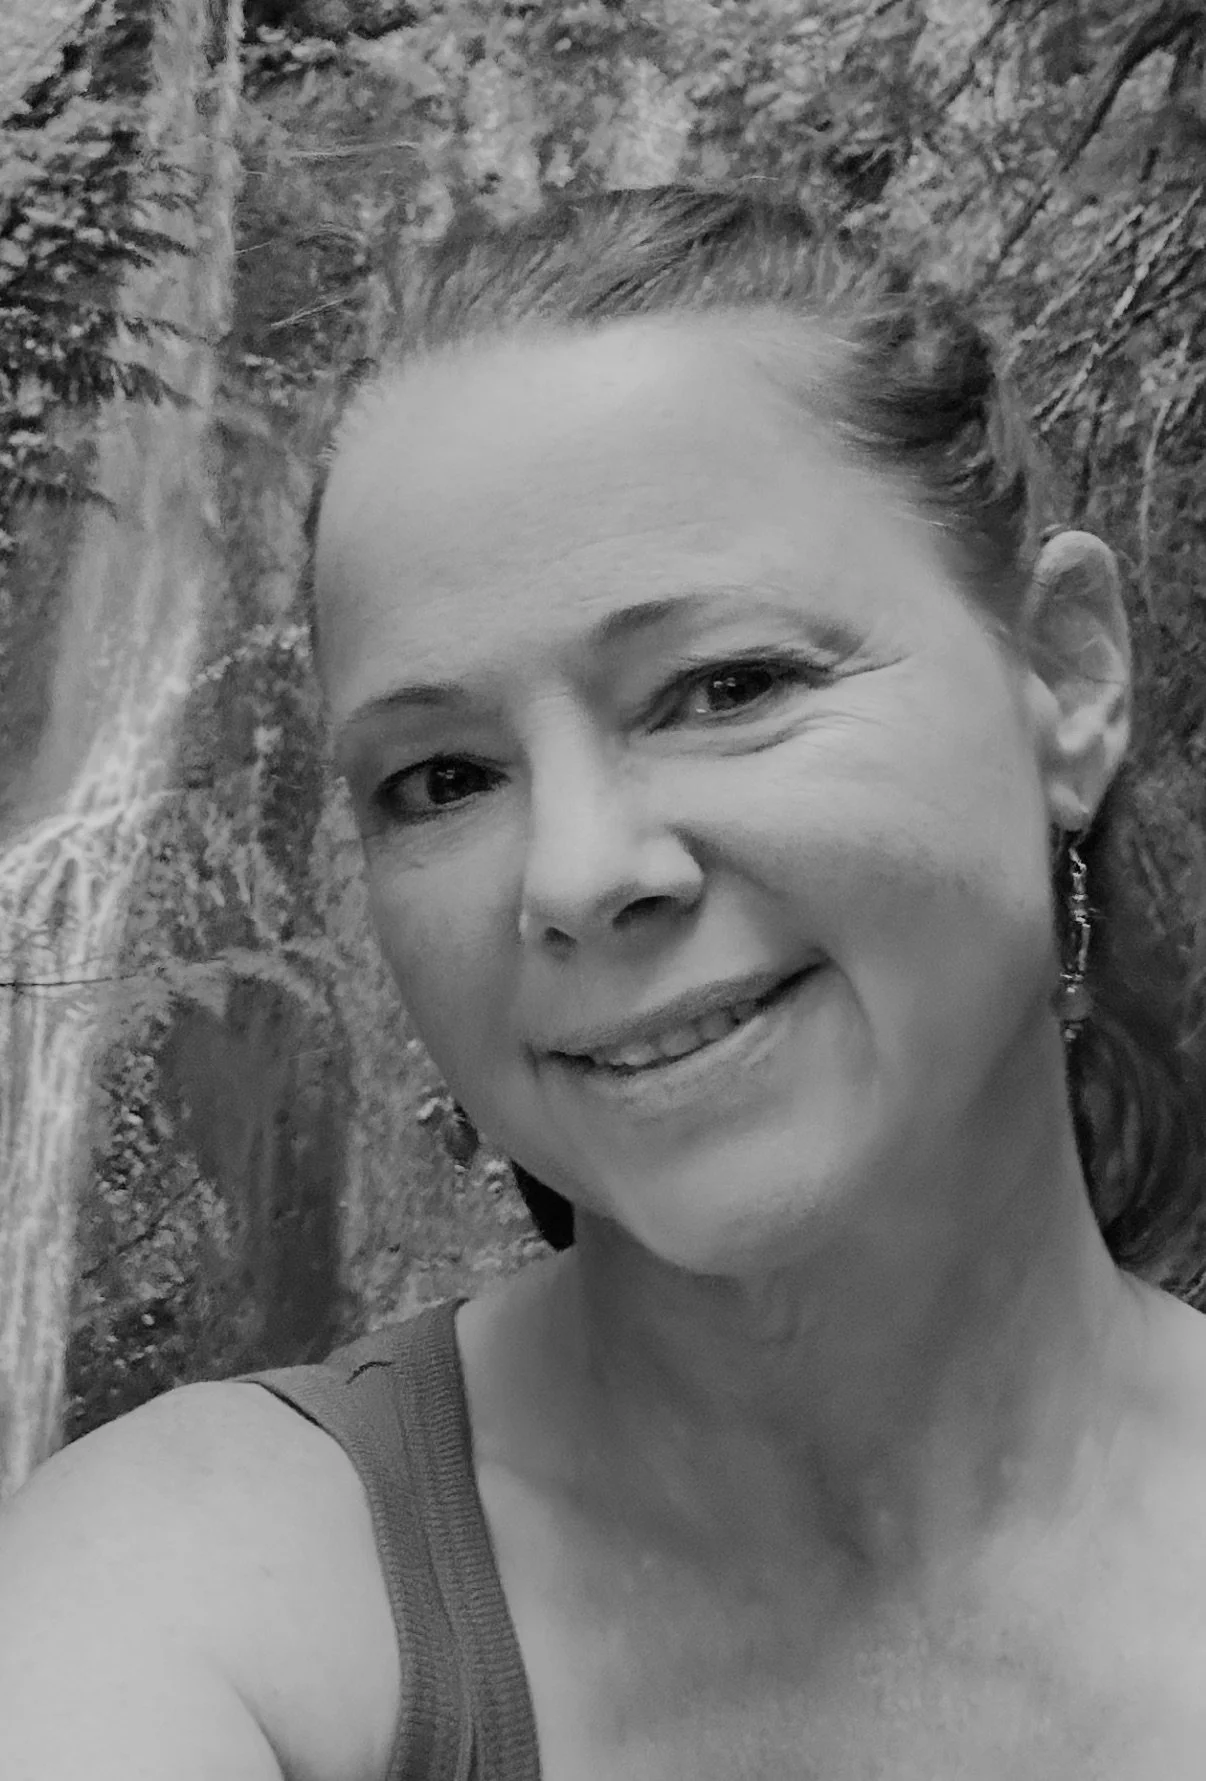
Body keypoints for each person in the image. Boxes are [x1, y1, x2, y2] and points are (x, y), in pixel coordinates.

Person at [2, 183, 1205, 1780]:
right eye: (442, 779)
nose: (575, 875)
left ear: (1062, 676)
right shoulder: (188, 1589)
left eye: (724, 685)